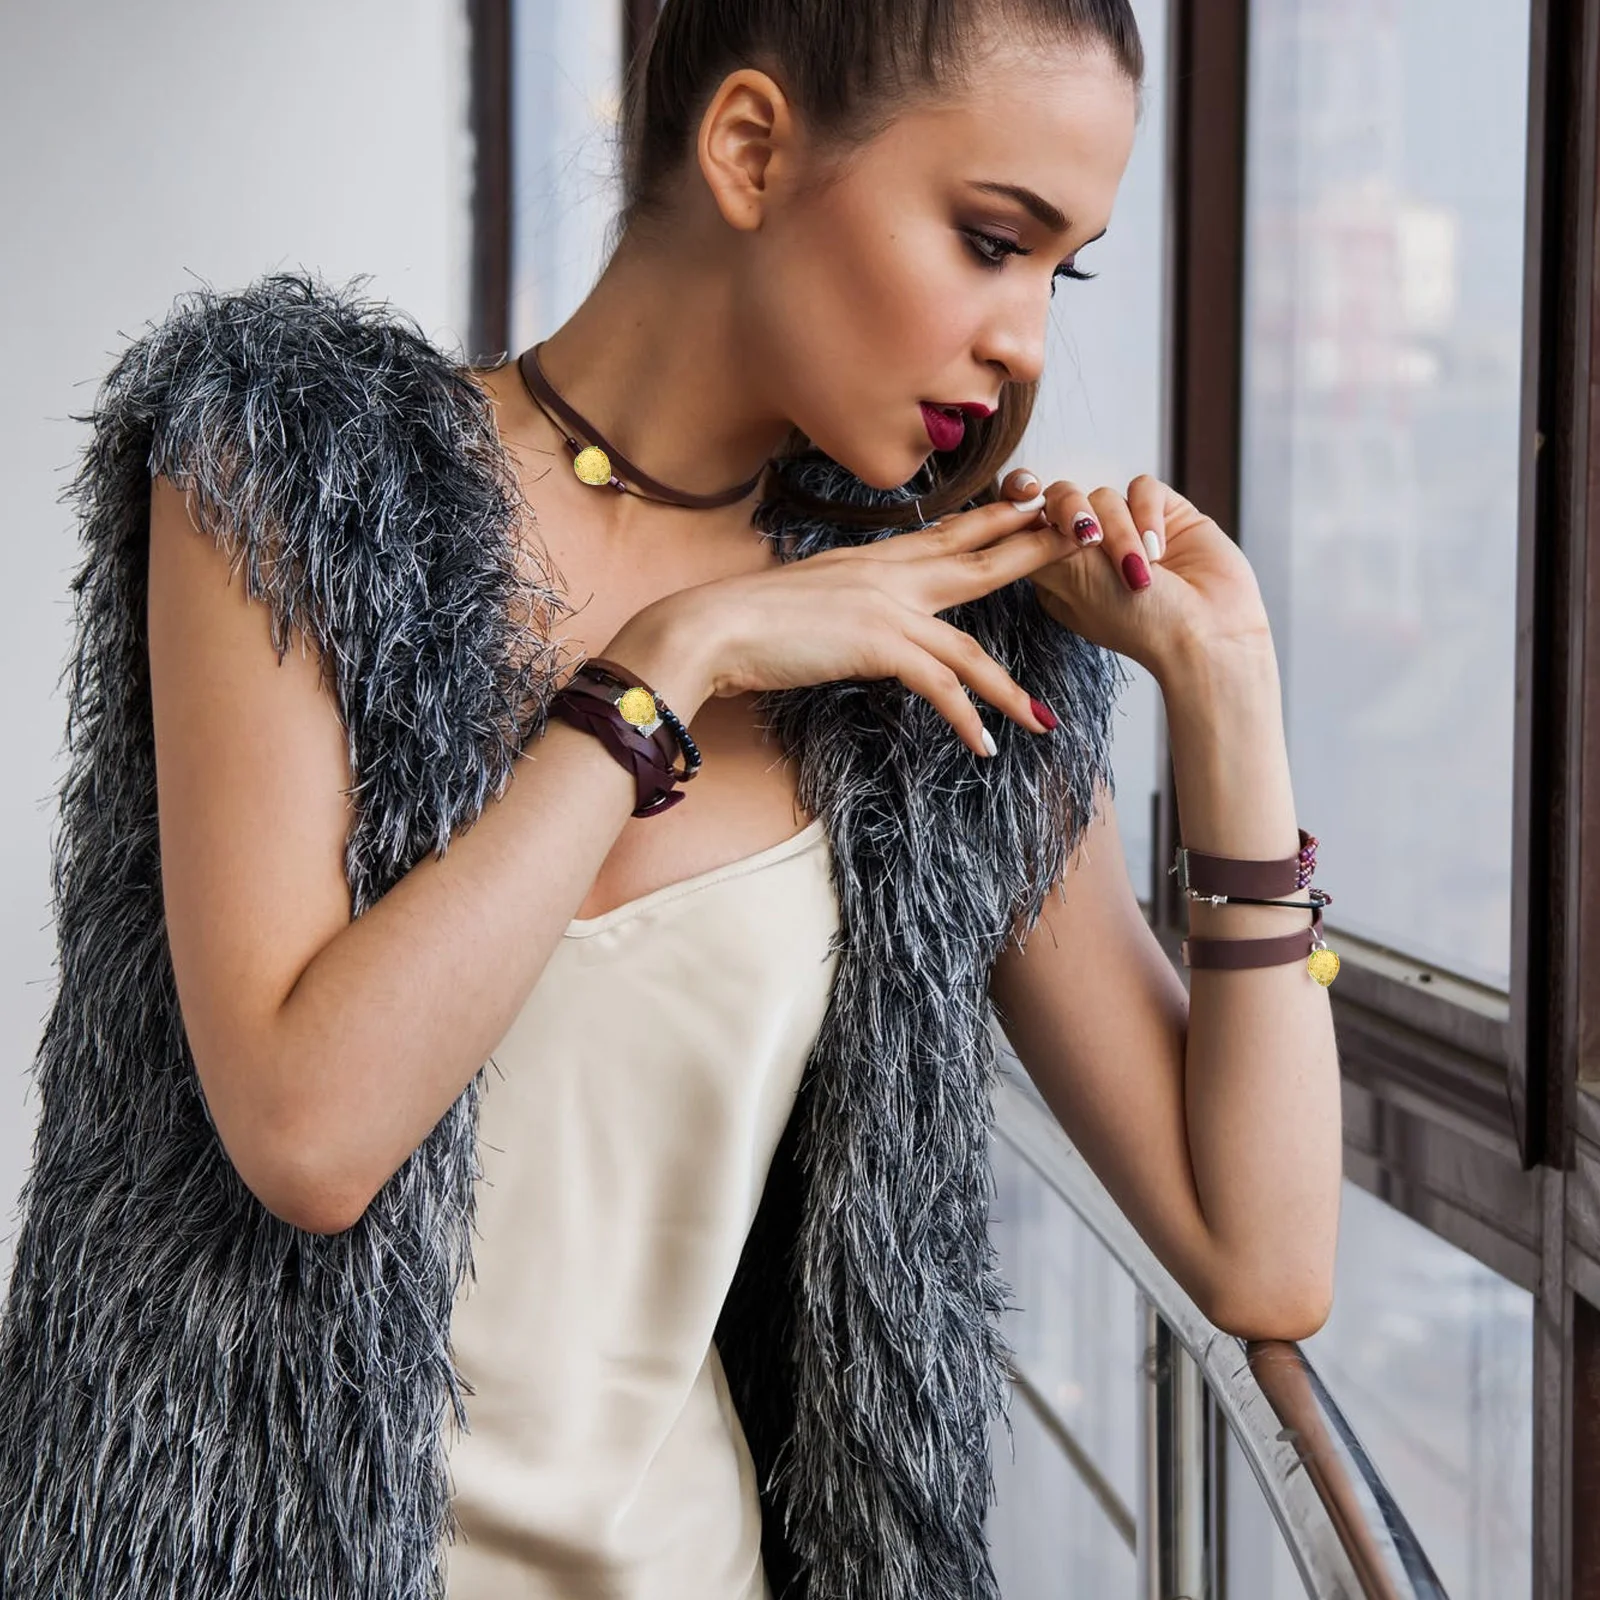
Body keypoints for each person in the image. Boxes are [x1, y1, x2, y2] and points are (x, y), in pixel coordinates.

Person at [0, 0, 1343, 1596]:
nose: (1026, 344)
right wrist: (672, 663)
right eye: (992, 241)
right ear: (750, 149)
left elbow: (1262, 1260)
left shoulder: (943, 664)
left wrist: (1231, 690)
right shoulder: (293, 473)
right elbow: (310, 1131)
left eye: (1067, 271)